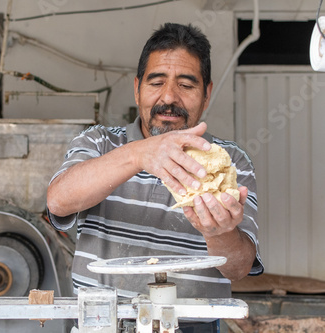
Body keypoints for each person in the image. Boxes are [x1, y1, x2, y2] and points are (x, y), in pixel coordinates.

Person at [46, 23, 263, 332]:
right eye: (156, 82)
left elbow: (239, 268)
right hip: (103, 323)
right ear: (137, 89)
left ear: (207, 94)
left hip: (192, 327)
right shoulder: (98, 143)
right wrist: (139, 154)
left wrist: (219, 233)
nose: (169, 97)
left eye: (186, 85)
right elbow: (58, 200)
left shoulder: (229, 162)